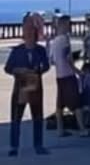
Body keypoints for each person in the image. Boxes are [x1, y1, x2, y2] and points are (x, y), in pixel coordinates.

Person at [6, 13, 51, 157]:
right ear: (23, 30)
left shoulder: (40, 50)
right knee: (16, 118)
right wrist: (18, 70)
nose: (29, 31)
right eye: (27, 28)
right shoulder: (17, 51)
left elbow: (46, 66)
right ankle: (14, 146)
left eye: (32, 28)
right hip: (20, 88)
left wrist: (38, 70)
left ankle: (38, 145)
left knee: (37, 117)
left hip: (35, 87)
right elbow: (8, 68)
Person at [50, 15, 88, 138]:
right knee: (76, 103)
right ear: (63, 25)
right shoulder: (65, 39)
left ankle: (60, 129)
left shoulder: (54, 41)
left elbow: (52, 60)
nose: (70, 27)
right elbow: (68, 58)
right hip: (68, 74)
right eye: (68, 24)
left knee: (60, 104)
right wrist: (78, 71)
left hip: (59, 75)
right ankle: (82, 128)